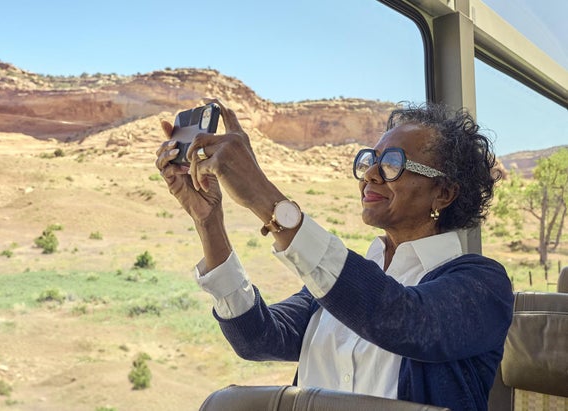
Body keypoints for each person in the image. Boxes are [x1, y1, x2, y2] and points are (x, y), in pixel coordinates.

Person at [155, 100, 513, 411]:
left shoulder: (482, 284)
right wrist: (208, 221)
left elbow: (400, 317)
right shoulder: (341, 283)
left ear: (444, 193)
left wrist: (265, 199)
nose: (370, 174)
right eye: (370, 160)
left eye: (392, 164)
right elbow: (257, 336)